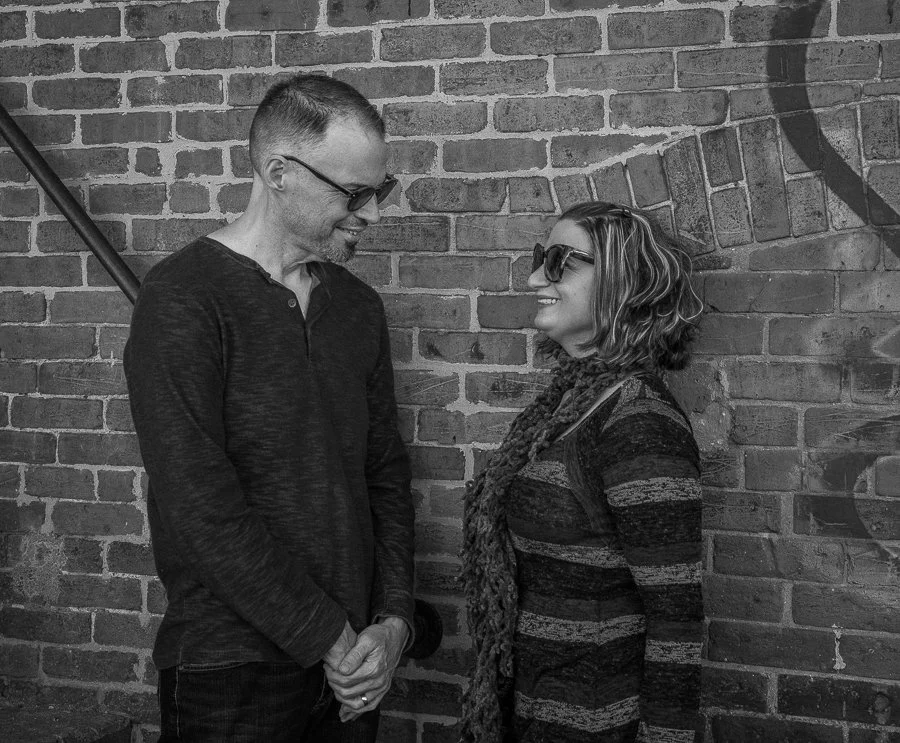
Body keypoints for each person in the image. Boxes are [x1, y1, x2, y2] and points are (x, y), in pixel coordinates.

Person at [124, 74, 414, 742]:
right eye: (355, 192)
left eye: (382, 190)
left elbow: (386, 478)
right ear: (279, 173)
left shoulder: (357, 308)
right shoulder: (183, 299)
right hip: (230, 671)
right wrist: (328, 636)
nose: (372, 214)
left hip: (353, 670)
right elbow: (201, 506)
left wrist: (393, 622)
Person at [460, 201, 705, 742]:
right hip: (534, 714)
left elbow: (676, 619)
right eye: (539, 258)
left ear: (620, 280)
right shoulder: (566, 408)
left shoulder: (637, 422)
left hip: (600, 722)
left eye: (559, 262)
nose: (534, 278)